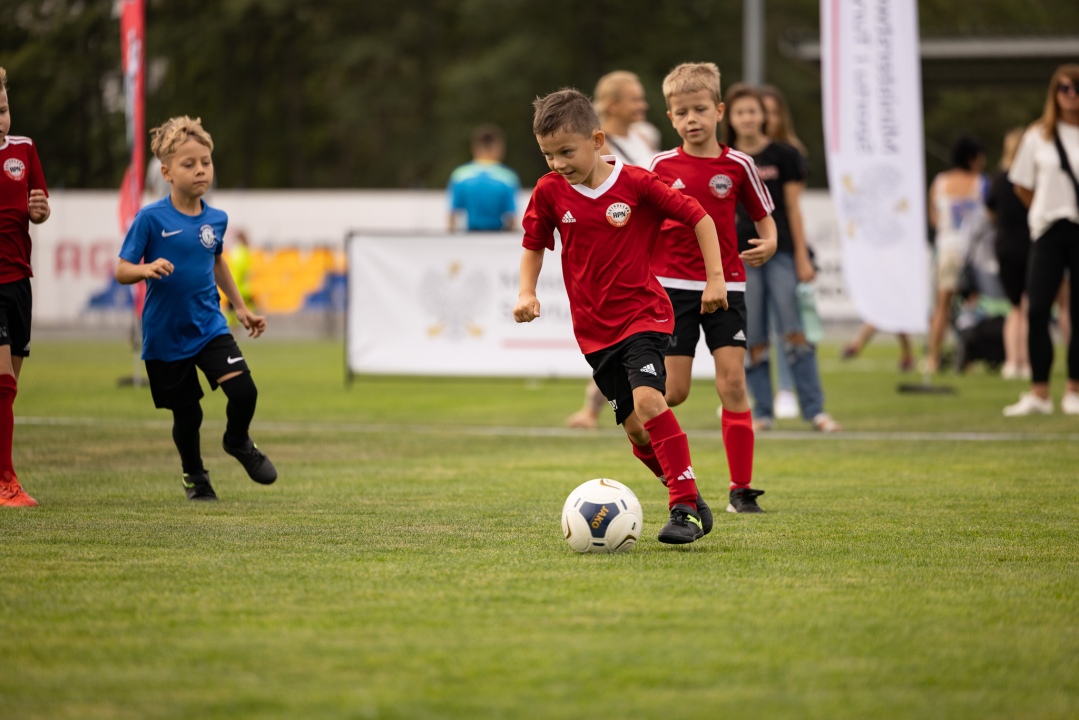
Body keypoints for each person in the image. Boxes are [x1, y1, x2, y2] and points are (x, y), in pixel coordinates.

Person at [515, 88, 726, 544]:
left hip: (644, 315)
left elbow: (699, 217)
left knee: (652, 401)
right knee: (635, 428)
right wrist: (526, 292)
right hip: (593, 332)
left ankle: (683, 508)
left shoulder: (636, 184)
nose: (557, 164)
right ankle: (686, 489)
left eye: (566, 152)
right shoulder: (550, 190)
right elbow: (534, 243)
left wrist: (715, 279)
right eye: (548, 155)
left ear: (597, 139)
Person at [116, 116, 278, 500]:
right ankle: (195, 478)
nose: (200, 170)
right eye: (189, 164)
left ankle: (238, 441)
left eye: (205, 161)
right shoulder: (151, 218)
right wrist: (145, 268)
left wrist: (240, 308)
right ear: (167, 172)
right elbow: (122, 269)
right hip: (165, 335)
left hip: (209, 326)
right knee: (188, 415)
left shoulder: (216, 219)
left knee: (245, 393)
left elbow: (217, 262)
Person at [649, 62, 777, 514]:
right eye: (681, 112)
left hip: (727, 287)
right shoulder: (661, 166)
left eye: (700, 109)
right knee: (676, 392)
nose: (691, 119)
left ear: (719, 110)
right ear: (670, 117)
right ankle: (646, 435)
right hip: (672, 289)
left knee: (734, 383)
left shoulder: (738, 164)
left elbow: (764, 216)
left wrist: (772, 240)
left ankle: (740, 490)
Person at [725, 83, 840, 432]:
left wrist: (803, 257)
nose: (747, 117)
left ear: (765, 115)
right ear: (728, 117)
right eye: (740, 111)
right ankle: (762, 413)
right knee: (754, 336)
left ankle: (815, 410)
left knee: (795, 331)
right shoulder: (723, 157)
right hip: (742, 258)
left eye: (753, 111)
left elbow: (792, 209)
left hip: (783, 253)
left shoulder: (785, 156)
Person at [565, 71, 663, 429]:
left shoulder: (645, 136)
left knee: (635, 335)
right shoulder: (594, 146)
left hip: (649, 244)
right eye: (635, 98)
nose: (643, 104)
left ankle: (615, 404)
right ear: (611, 104)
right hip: (618, 247)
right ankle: (594, 407)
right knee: (620, 335)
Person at [1003, 64, 1079, 416]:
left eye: (1076, 88)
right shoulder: (1038, 135)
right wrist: (1042, 210)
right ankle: (1039, 392)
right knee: (1036, 309)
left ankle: (1074, 390)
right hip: (1048, 229)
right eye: (1063, 88)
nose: (1070, 94)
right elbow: (1021, 183)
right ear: (1054, 92)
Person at [0, 67, 49, 508]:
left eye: (3, 109)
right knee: (1, 382)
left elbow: (40, 206)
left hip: (19, 281)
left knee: (9, 387)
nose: (0, 119)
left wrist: (39, 211)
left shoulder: (25, 150)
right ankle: (6, 481)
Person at [926, 135, 989, 374]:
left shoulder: (940, 182)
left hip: (945, 249)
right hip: (972, 253)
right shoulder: (980, 183)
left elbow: (934, 219)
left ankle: (933, 358)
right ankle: (968, 358)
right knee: (971, 307)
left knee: (941, 306)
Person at [987, 127, 1032, 381]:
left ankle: (1011, 362)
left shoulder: (998, 178)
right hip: (1026, 243)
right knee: (1025, 306)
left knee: (1014, 306)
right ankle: (1023, 360)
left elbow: (989, 209)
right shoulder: (1027, 178)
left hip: (1003, 244)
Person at [447, 124, 520, 233]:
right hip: (497, 236)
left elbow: (452, 216)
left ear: (475, 147)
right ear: (498, 147)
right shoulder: (508, 177)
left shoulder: (460, 175)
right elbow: (511, 219)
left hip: (470, 235)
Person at [224, 228, 255, 327]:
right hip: (241, 287)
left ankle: (230, 326)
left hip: (237, 286)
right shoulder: (244, 251)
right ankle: (235, 325)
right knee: (236, 308)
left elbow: (238, 270)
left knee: (233, 308)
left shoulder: (239, 252)